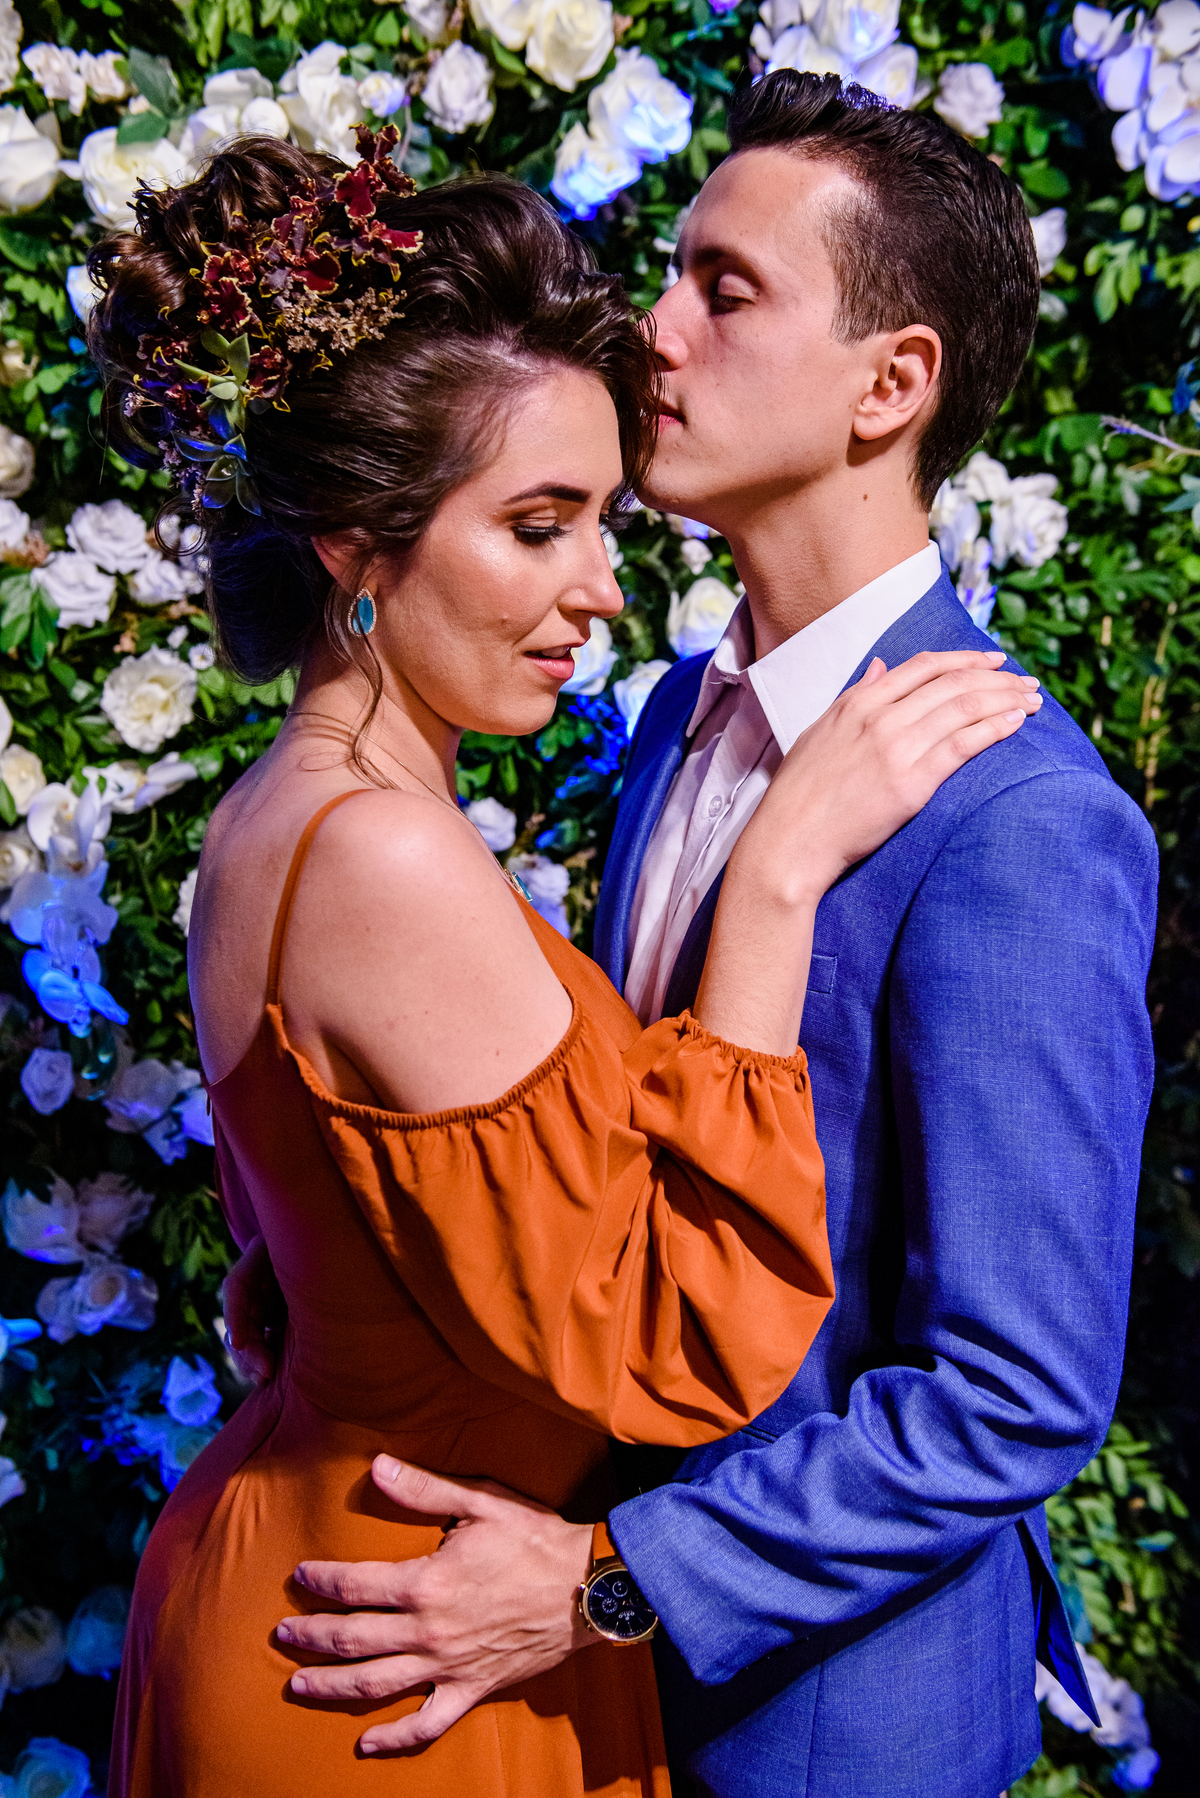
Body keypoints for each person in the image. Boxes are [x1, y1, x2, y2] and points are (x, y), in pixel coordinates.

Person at [89, 124, 1039, 1797]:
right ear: (353, 540)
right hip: (395, 1655)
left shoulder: (291, 811)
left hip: (452, 1607)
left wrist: (349, 1280)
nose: (598, 589)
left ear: (895, 382)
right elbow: (664, 1324)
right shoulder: (387, 847)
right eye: (538, 525)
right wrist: (775, 886)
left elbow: (1009, 1390)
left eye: (723, 287)